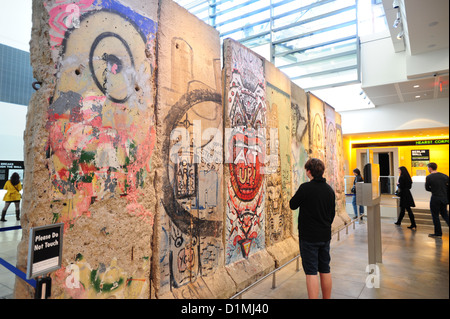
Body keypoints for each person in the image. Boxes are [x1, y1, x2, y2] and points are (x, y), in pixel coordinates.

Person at [289, 158, 335, 299]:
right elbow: (331, 214)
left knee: (311, 271)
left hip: (309, 237)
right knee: (325, 268)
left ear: (309, 172)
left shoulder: (305, 188)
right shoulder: (329, 190)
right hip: (324, 236)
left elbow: (292, 204)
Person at [425, 162, 449, 238]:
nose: (428, 169)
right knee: (445, 215)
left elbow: (427, 188)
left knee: (435, 216)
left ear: (430, 168)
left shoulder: (429, 177)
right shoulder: (445, 176)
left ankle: (438, 233)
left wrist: (433, 189)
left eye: (428, 168)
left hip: (435, 198)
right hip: (444, 198)